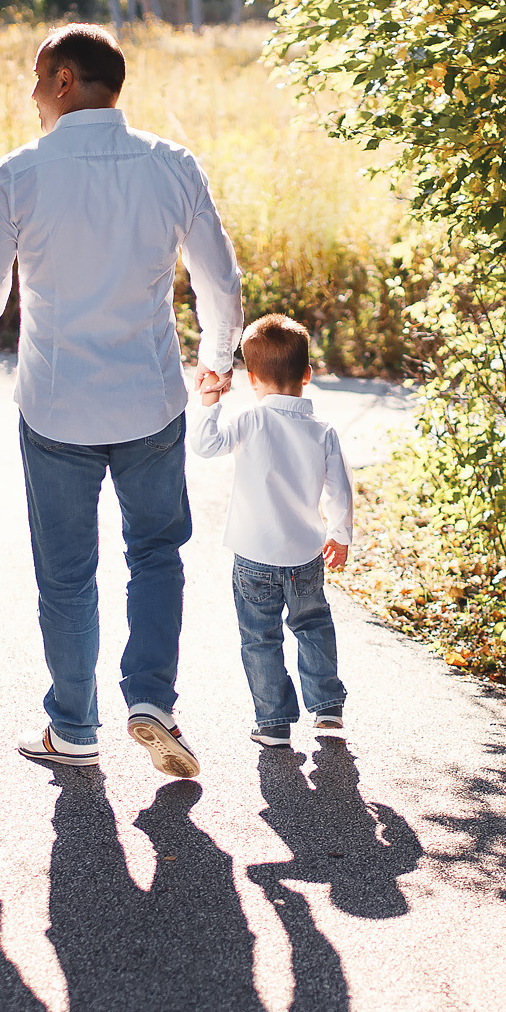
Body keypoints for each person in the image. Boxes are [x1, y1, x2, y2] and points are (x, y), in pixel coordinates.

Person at [0, 23, 241, 777]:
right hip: (150, 401)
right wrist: (216, 360)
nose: (33, 94)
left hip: (55, 405)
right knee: (157, 554)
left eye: (38, 79)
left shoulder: (18, 173)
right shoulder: (172, 165)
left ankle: (73, 728)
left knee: (67, 571)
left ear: (66, 78)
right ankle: (153, 703)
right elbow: (220, 283)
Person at [190, 314, 355, 749]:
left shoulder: (250, 421)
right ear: (307, 375)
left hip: (253, 557)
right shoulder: (323, 432)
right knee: (313, 625)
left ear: (252, 378)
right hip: (305, 555)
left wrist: (209, 402)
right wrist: (339, 534)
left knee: (259, 639)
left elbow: (205, 447)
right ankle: (327, 708)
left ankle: (273, 723)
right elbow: (340, 490)